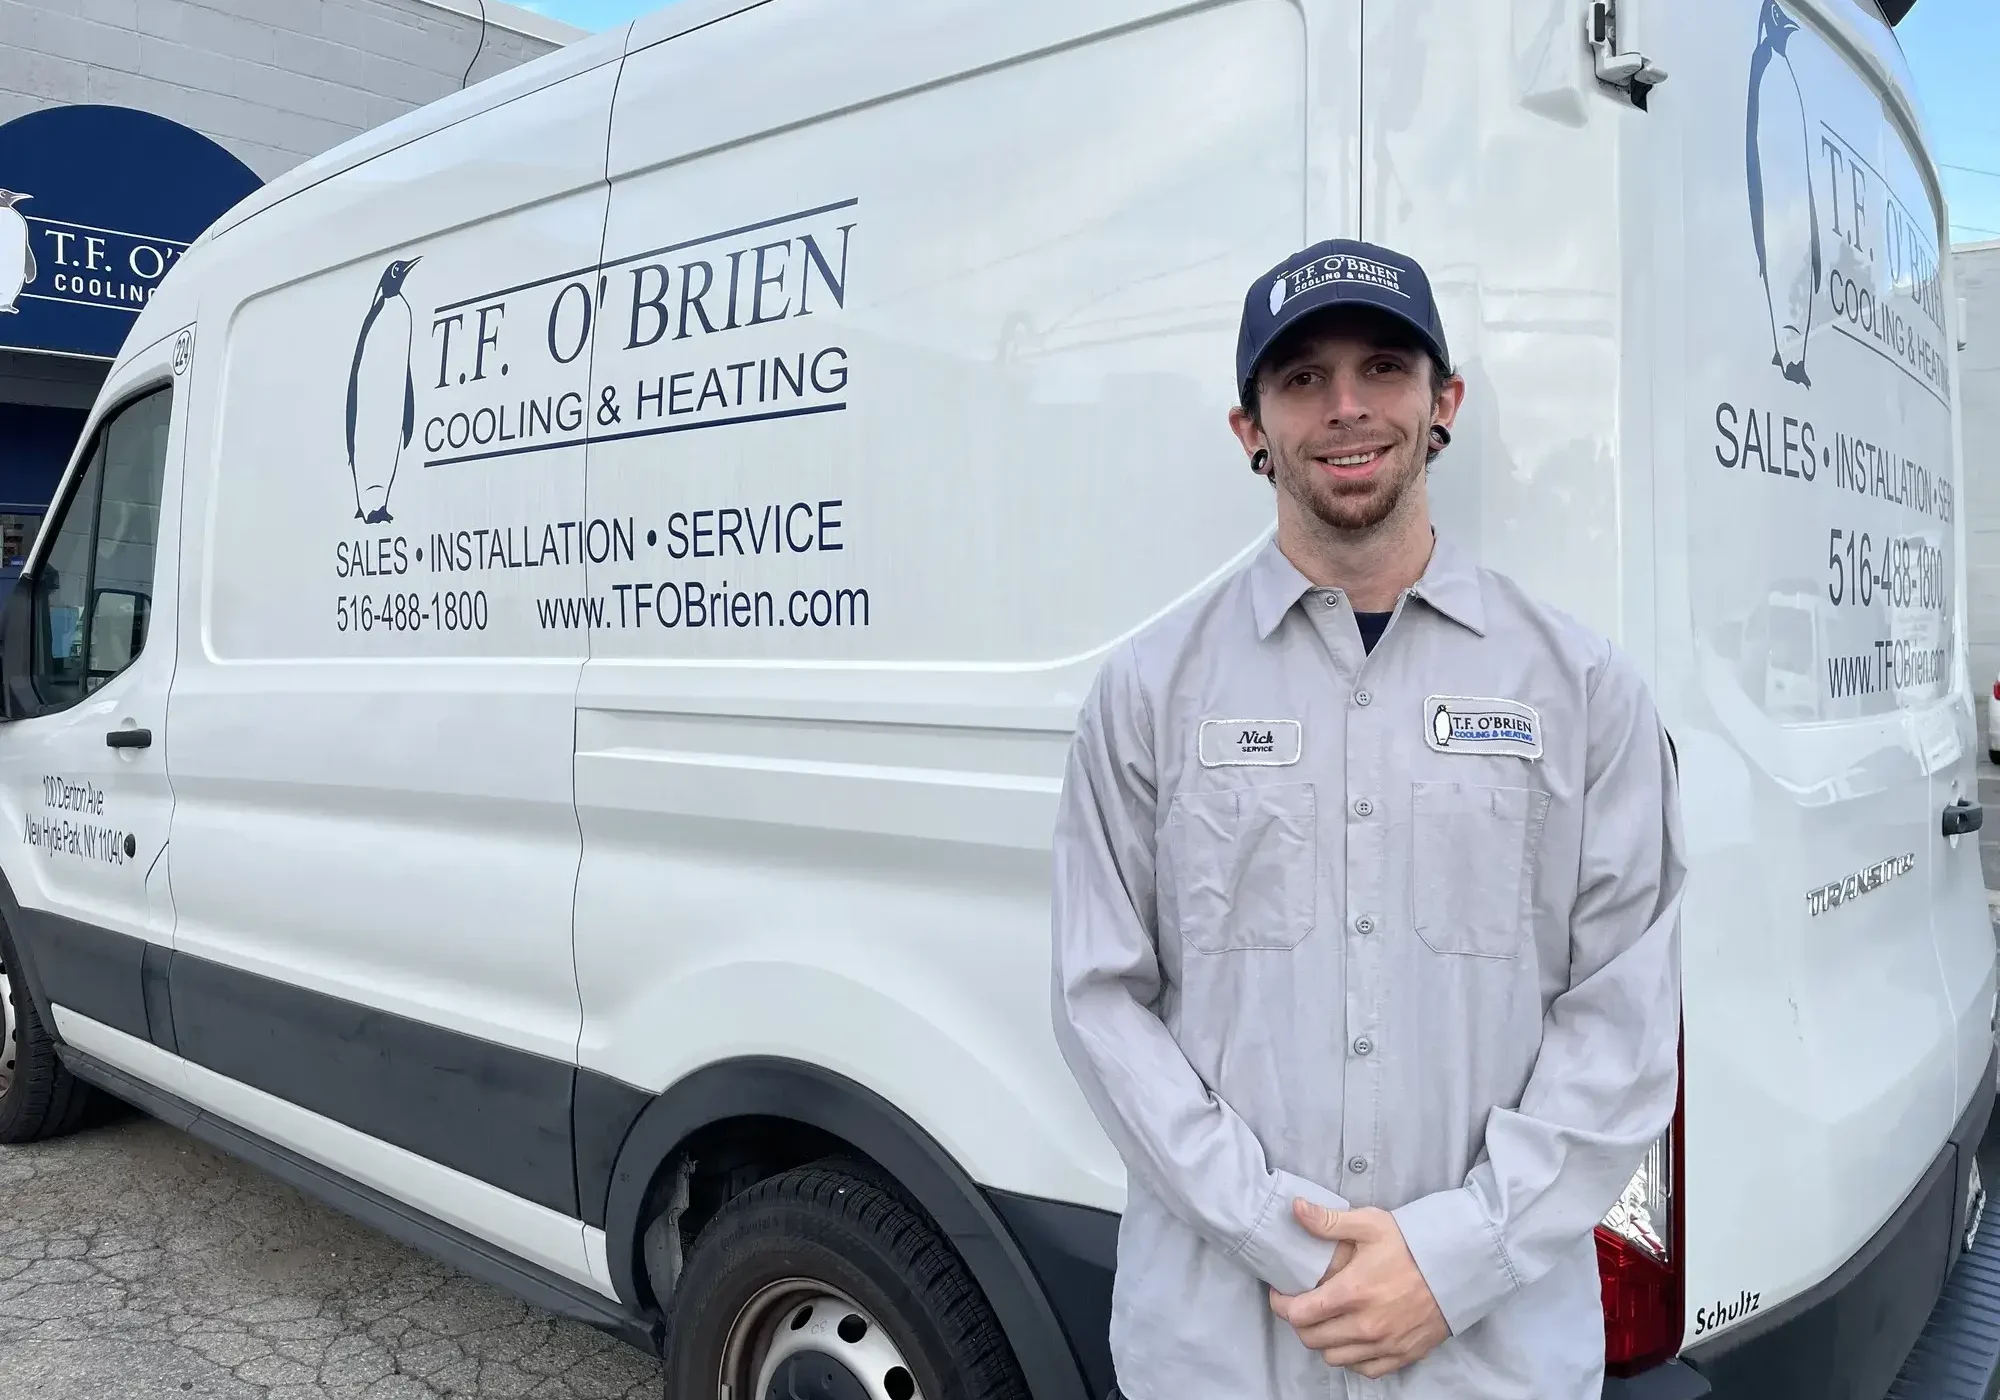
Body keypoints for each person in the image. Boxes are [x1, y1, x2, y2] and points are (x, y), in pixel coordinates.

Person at [1049, 238, 1686, 1400]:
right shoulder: (1146, 692)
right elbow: (1101, 1004)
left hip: (1488, 1357)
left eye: (1382, 368)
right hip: (1219, 1352)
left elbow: (1623, 1020)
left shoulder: (1581, 692)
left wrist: (1456, 1258)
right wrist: (1282, 1236)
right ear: (1249, 428)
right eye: (1299, 378)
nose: (1345, 407)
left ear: (1441, 403)